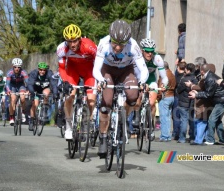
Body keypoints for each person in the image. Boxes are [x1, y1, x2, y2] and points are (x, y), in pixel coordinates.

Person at [93, 19, 149, 158]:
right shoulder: (103, 43)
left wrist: (141, 82)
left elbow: (144, 70)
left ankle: (123, 118)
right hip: (108, 70)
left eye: (122, 44)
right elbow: (96, 69)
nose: (117, 47)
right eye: (115, 43)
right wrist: (101, 81)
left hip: (126, 70)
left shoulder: (133, 45)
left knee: (132, 96)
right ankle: (104, 137)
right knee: (105, 104)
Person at [56, 24, 97, 140]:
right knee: (69, 97)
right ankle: (68, 126)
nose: (72, 44)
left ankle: (89, 120)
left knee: (91, 100)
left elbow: (99, 63)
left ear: (79, 39)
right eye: (69, 41)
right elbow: (62, 68)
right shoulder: (61, 49)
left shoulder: (89, 46)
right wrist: (65, 82)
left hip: (89, 71)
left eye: (74, 41)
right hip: (72, 71)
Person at [132, 38, 168, 140]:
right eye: (147, 51)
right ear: (142, 50)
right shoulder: (137, 57)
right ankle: (136, 116)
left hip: (151, 80)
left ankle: (151, 126)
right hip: (138, 79)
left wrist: (164, 85)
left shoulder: (157, 59)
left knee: (152, 103)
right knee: (137, 99)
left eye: (151, 51)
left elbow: (164, 77)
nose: (149, 54)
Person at [189, 64, 224, 145]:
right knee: (217, 120)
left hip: (221, 101)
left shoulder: (209, 78)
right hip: (220, 100)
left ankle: (210, 140)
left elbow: (208, 94)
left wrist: (196, 95)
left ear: (202, 71)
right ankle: (222, 139)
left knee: (211, 119)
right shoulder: (210, 76)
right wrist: (197, 93)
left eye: (200, 71)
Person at [27, 62, 58, 131]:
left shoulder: (49, 73)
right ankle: (32, 121)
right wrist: (32, 92)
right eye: (40, 70)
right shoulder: (34, 73)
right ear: (38, 69)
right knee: (35, 105)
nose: (42, 71)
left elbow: (54, 84)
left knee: (46, 93)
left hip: (45, 88)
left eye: (44, 70)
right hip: (35, 90)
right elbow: (30, 84)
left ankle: (44, 108)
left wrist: (55, 93)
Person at [175, 63, 197, 143]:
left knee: (184, 120)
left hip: (183, 103)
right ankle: (192, 137)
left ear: (187, 70)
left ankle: (182, 138)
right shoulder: (195, 79)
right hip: (191, 102)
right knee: (191, 120)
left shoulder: (184, 79)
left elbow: (178, 90)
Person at [6, 58, 29, 126]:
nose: (17, 68)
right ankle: (11, 117)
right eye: (15, 67)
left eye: (19, 67)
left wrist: (28, 90)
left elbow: (27, 82)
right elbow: (7, 84)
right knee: (13, 99)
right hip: (12, 86)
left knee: (22, 98)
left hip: (21, 85)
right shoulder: (9, 73)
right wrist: (8, 91)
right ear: (13, 66)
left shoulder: (23, 72)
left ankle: (23, 113)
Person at [157, 61, 176, 142]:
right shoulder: (171, 74)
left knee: (164, 117)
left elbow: (161, 88)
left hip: (165, 97)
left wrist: (158, 96)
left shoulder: (164, 75)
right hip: (171, 96)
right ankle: (167, 135)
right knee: (167, 117)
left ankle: (164, 136)